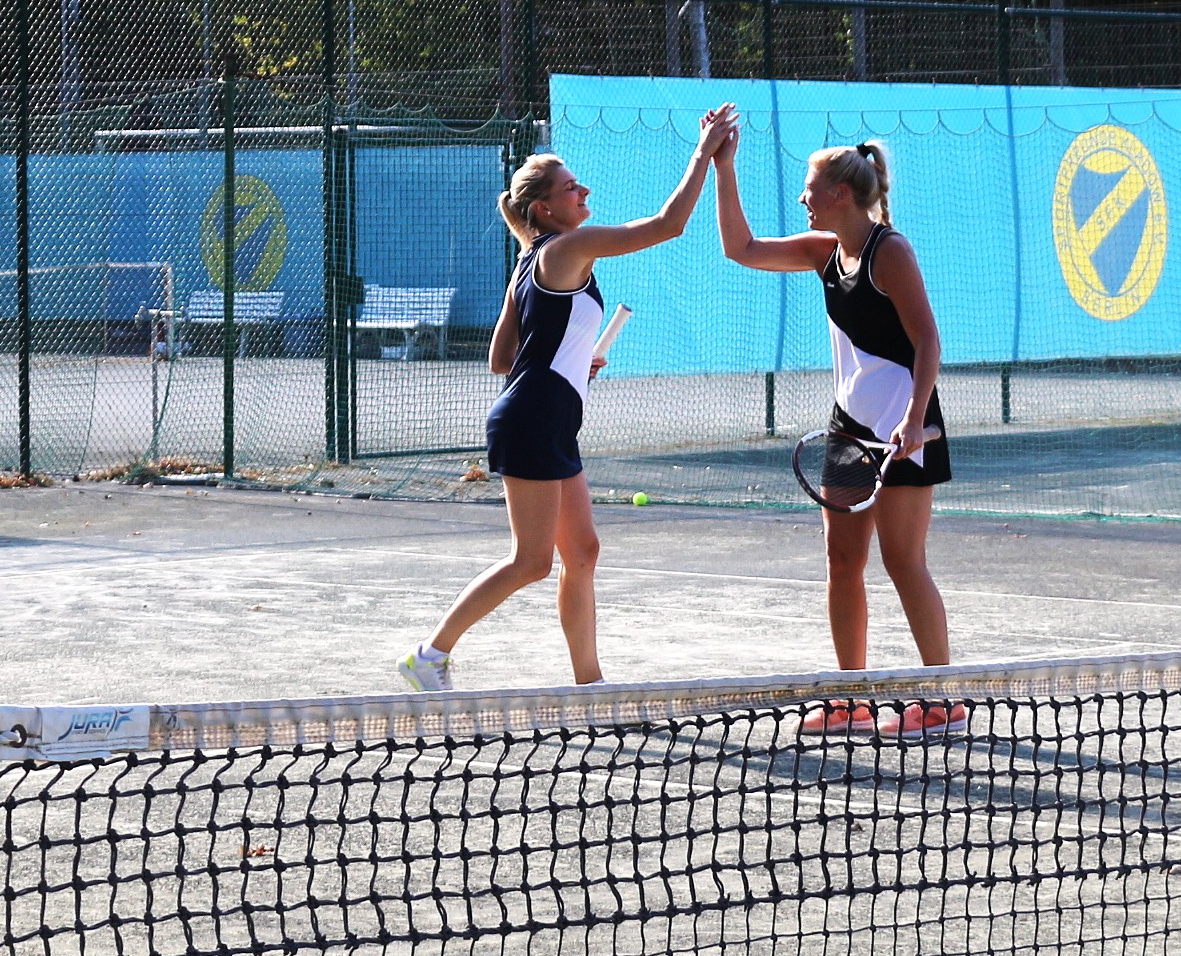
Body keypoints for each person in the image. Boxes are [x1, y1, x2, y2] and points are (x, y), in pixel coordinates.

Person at [399, 105, 738, 691]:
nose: (583, 192)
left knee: (582, 552)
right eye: (570, 187)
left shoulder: (531, 262)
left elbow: (502, 358)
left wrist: (575, 359)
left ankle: (590, 684)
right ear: (544, 209)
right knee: (531, 561)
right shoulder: (564, 249)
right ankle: (428, 657)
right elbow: (668, 225)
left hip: (548, 417)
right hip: (532, 419)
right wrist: (703, 153)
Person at [713, 128, 962, 740]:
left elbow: (928, 340)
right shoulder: (825, 252)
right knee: (842, 561)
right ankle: (852, 699)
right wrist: (724, 165)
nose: (803, 198)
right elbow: (740, 247)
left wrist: (913, 419)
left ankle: (942, 699)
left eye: (811, 188)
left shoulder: (890, 251)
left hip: (905, 429)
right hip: (849, 430)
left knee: (903, 561)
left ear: (843, 194)